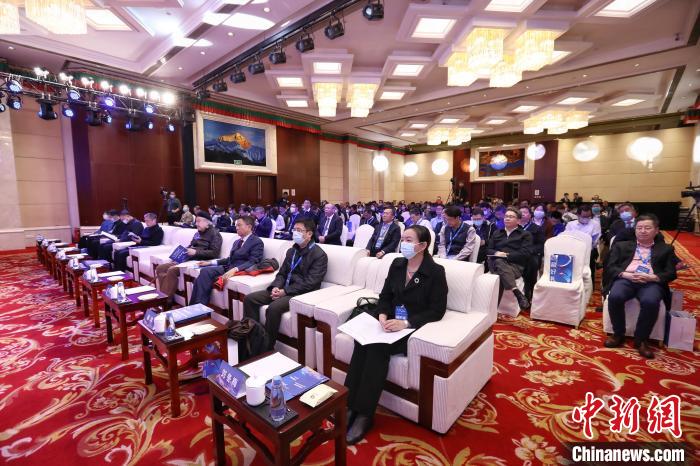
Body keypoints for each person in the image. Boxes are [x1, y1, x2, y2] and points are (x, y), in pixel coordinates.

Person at [345, 225, 447, 445]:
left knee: (376, 348)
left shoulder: (435, 272)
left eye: (409, 240)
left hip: (410, 327)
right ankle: (349, 406)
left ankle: (364, 414)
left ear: (422, 245)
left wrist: (405, 323)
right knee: (361, 341)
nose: (404, 244)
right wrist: (382, 313)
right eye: (403, 239)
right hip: (388, 321)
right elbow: (385, 295)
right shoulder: (398, 264)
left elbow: (437, 310)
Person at [243, 218, 328, 349]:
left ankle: (266, 348)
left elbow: (310, 283)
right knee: (250, 299)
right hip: (283, 289)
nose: (295, 233)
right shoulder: (291, 251)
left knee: (273, 308)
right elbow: (282, 273)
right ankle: (252, 339)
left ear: (309, 234)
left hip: (300, 293)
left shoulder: (319, 255)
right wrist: (276, 287)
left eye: (299, 230)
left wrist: (285, 292)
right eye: (294, 229)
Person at [603, 214, 677, 359]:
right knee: (615, 296)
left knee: (650, 301)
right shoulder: (622, 246)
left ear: (656, 230)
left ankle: (641, 340)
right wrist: (625, 275)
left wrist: (653, 277)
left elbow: (671, 273)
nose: (643, 231)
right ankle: (618, 334)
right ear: (635, 229)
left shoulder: (666, 249)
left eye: (647, 228)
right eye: (639, 228)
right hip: (627, 279)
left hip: (651, 282)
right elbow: (610, 266)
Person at [190, 216, 264, 306]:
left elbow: (253, 261)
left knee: (204, 276)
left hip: (239, 270)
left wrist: (235, 269)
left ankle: (199, 307)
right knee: (204, 272)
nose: (236, 228)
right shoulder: (237, 242)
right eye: (236, 225)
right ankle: (194, 306)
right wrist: (210, 263)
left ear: (249, 227)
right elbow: (230, 259)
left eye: (239, 225)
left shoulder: (257, 242)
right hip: (228, 267)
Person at [155, 211, 222, 303]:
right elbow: (191, 245)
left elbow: (214, 253)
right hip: (188, 258)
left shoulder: (215, 234)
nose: (196, 224)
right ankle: (164, 296)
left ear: (207, 223)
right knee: (160, 268)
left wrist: (196, 252)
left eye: (199, 221)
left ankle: (165, 301)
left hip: (199, 261)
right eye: (196, 221)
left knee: (172, 270)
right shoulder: (197, 233)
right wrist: (181, 253)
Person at [486, 207, 533, 310]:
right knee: (499, 261)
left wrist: (506, 255)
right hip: (495, 264)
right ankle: (517, 292)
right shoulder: (497, 233)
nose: (507, 218)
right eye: (506, 216)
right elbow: (488, 250)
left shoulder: (525, 235)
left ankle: (492, 309)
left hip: (515, 266)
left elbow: (526, 253)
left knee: (499, 269)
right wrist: (497, 253)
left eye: (511, 217)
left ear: (518, 221)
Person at [566, 205, 602, 288]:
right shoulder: (571, 224)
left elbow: (595, 239)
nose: (586, 218)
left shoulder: (595, 224)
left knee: (589, 270)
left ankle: (589, 288)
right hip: (573, 250)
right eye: (584, 216)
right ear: (578, 215)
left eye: (588, 216)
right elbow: (566, 237)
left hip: (589, 251)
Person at [520, 206, 544, 300]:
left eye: (525, 212)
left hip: (530, 255)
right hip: (516, 254)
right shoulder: (514, 227)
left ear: (530, 215)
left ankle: (529, 293)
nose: (522, 214)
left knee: (532, 263)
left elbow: (541, 245)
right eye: (520, 212)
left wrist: (530, 250)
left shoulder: (536, 228)